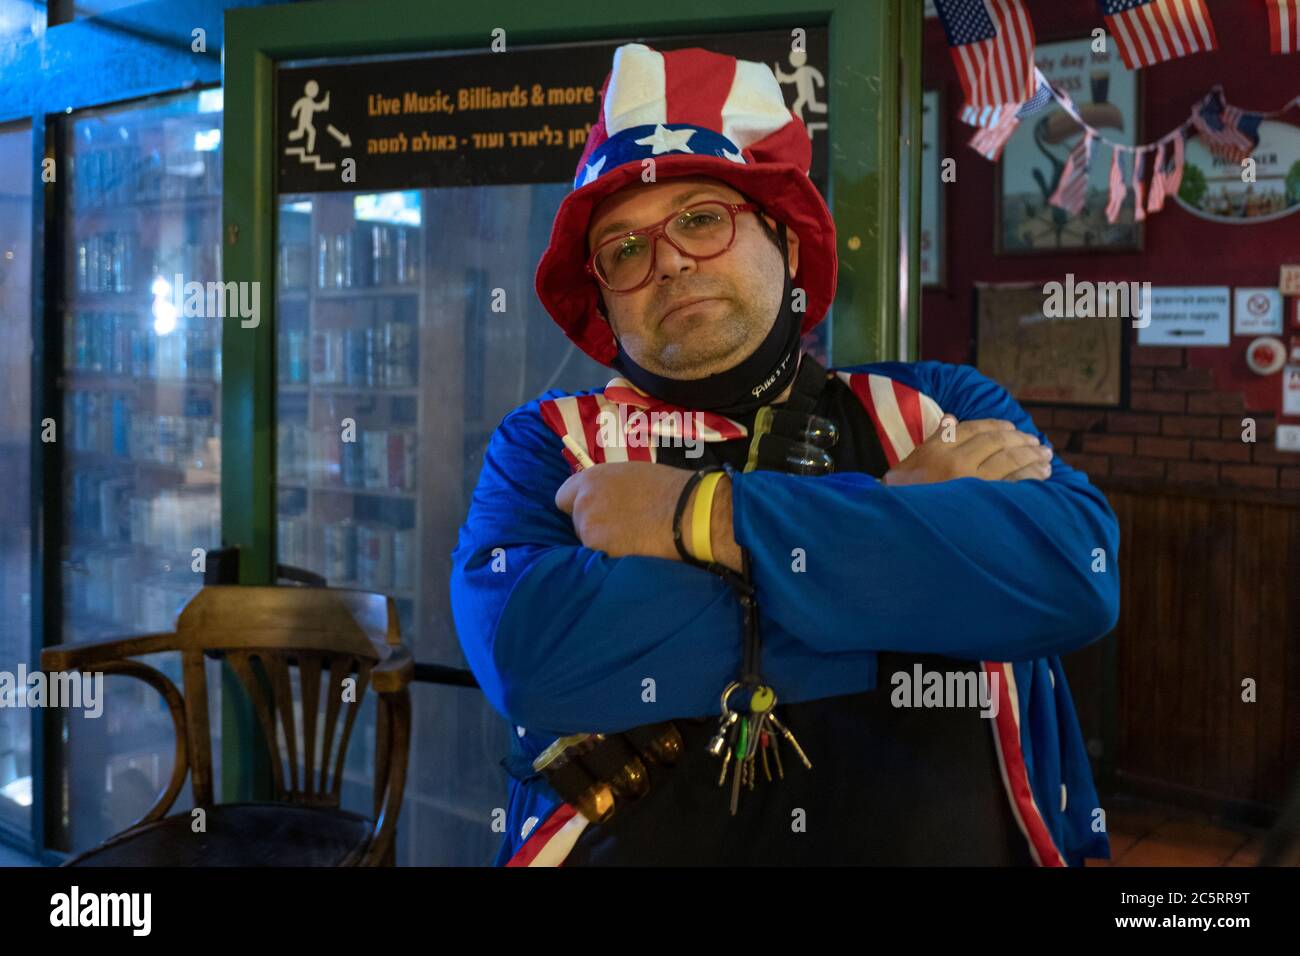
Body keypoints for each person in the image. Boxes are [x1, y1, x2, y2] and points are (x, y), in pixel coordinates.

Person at [450, 43, 1120, 867]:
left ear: (790, 247)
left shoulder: (936, 406)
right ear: (602, 299)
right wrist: (904, 547)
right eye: (624, 249)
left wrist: (699, 515)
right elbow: (538, 661)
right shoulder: (550, 446)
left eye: (701, 218)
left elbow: (1074, 576)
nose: (666, 262)